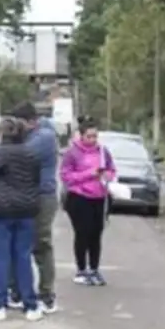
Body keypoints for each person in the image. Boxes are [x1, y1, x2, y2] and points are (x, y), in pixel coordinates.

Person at [0, 117, 44, 322]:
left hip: (1, 209)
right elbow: (36, 180)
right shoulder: (32, 153)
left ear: (2, 133)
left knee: (0, 256)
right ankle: (29, 304)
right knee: (23, 256)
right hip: (26, 210)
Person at [6, 102, 61, 314]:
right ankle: (17, 291)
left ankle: (46, 294)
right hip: (23, 196)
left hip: (42, 197)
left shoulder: (44, 137)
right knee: (18, 245)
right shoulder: (28, 136)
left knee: (41, 244)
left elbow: (19, 156)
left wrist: (9, 137)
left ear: (31, 122)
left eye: (17, 123)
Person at [60, 117, 116, 286]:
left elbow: (111, 169)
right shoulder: (72, 153)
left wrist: (107, 176)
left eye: (95, 136)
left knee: (96, 234)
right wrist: (89, 174)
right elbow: (65, 176)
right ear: (81, 136)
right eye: (89, 136)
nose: (92, 140)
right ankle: (81, 269)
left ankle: (94, 269)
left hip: (99, 197)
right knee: (82, 233)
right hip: (79, 198)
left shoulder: (103, 152)